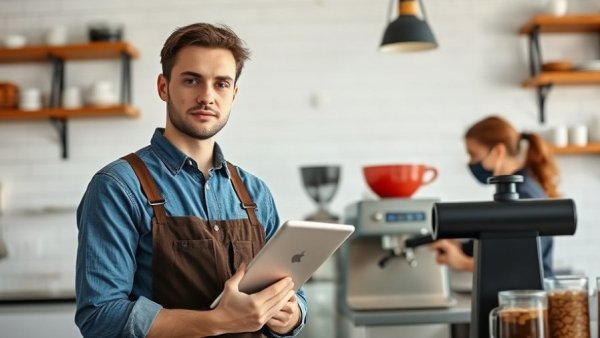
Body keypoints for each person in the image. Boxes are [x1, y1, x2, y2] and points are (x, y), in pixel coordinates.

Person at [75, 23, 306, 338]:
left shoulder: (255, 193)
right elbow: (100, 318)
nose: (207, 96)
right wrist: (219, 321)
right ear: (163, 87)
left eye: (221, 83)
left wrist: (290, 315)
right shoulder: (117, 187)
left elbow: (290, 292)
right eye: (191, 80)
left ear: (234, 94)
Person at [430, 115, 559, 278]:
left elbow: (519, 265)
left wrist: (462, 262)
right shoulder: (517, 189)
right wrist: (459, 246)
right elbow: (501, 243)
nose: (470, 162)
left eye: (473, 154)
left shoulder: (522, 195)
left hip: (530, 299)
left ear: (498, 151)